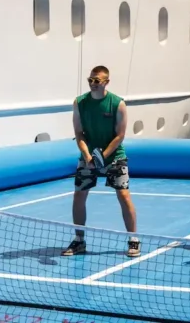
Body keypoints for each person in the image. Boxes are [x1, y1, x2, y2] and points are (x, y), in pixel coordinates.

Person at [62, 65, 140, 258]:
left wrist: (101, 157)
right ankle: (79, 240)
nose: (93, 84)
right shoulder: (79, 103)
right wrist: (88, 157)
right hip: (88, 156)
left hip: (114, 156)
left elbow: (120, 135)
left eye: (97, 81)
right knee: (79, 196)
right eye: (90, 80)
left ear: (106, 82)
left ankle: (133, 239)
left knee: (123, 195)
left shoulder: (117, 103)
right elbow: (79, 133)